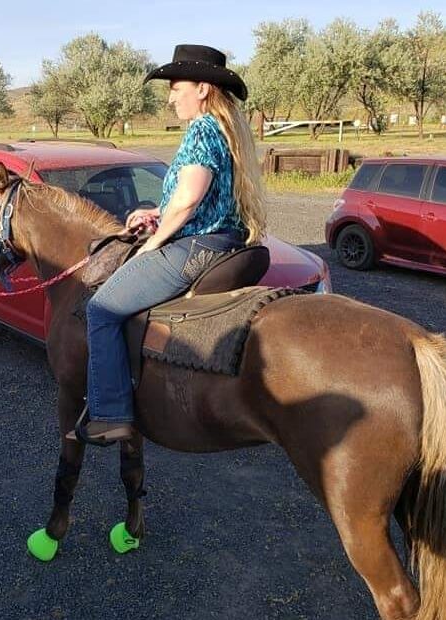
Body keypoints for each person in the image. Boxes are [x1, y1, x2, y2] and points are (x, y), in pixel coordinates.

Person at [69, 44, 267, 445]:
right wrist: (157, 213)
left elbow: (190, 198)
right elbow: (198, 201)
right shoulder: (225, 131)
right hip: (223, 240)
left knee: (101, 309)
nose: (171, 97)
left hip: (194, 247)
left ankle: (110, 414)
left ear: (203, 89)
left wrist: (153, 242)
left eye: (177, 87)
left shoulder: (201, 129)